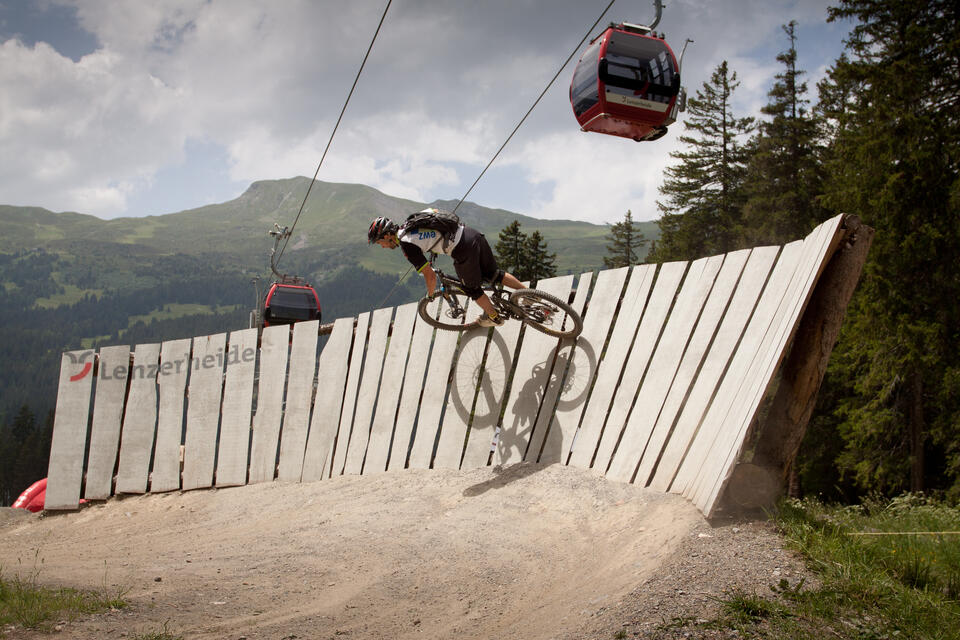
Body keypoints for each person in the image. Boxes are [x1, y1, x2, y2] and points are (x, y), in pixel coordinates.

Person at [368, 209, 524, 327]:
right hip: (472, 234)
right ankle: (530, 295)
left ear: (386, 235)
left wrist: (430, 296)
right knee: (493, 274)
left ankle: (494, 317)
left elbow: (430, 276)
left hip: (462, 249)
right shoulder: (412, 222)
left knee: (472, 289)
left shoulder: (406, 244)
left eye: (379, 242)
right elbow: (436, 215)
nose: (382, 247)